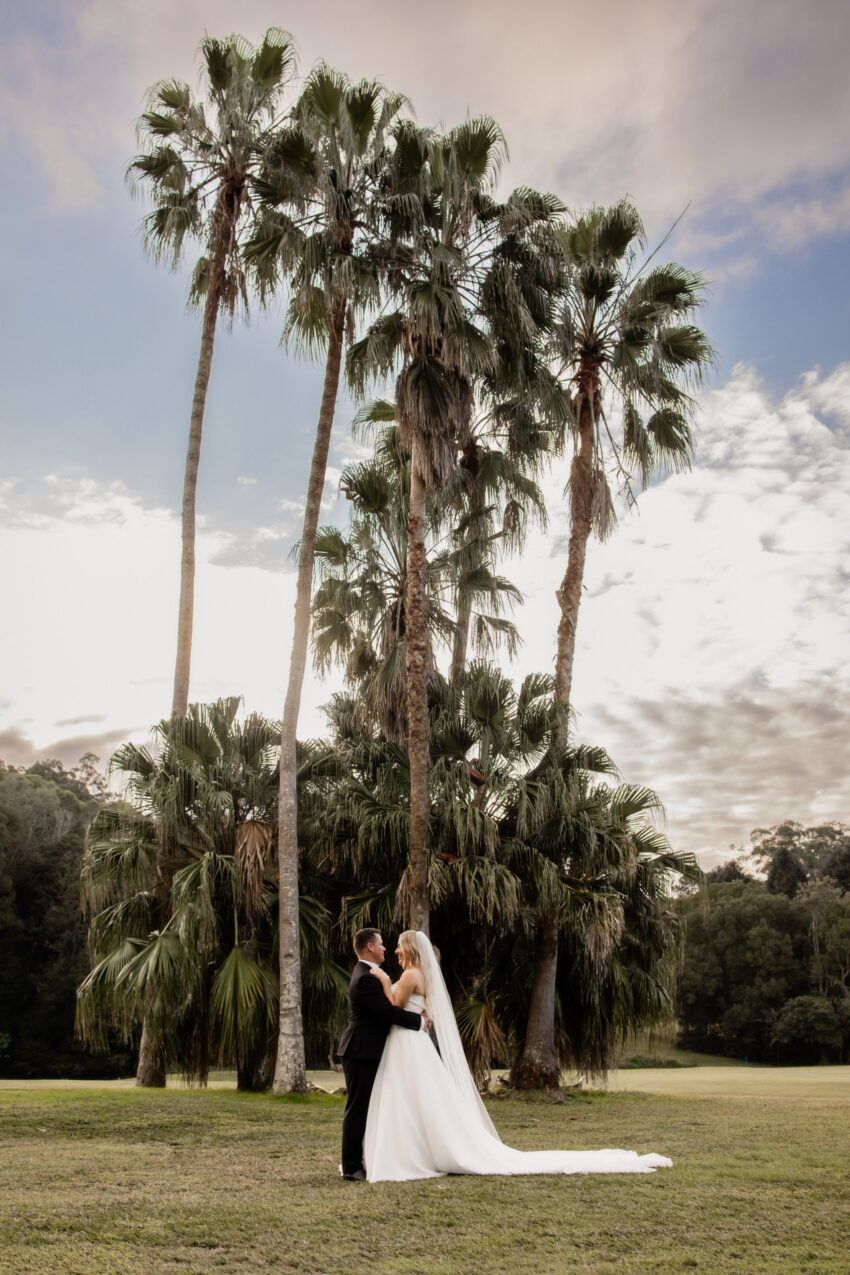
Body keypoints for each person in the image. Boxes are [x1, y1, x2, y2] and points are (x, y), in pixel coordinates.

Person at [363, 929, 673, 1182]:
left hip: (408, 1042)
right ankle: (416, 1150)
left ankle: (407, 1155)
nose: (396, 952)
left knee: (405, 1097)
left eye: (400, 948)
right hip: (415, 1043)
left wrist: (384, 980)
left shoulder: (408, 976)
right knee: (417, 1099)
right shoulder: (425, 976)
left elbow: (393, 1007)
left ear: (410, 948)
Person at [337, 927, 430, 1181]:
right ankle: (351, 1166)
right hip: (360, 1050)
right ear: (370, 947)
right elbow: (387, 1012)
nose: (385, 948)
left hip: (368, 1049)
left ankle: (363, 1159)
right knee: (357, 1108)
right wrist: (419, 1022)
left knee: (367, 1106)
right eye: (381, 944)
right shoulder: (367, 977)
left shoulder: (371, 974)